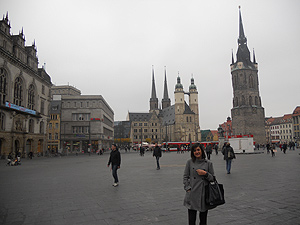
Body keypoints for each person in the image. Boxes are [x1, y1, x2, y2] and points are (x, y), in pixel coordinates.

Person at [183, 143, 215, 225]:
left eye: (198, 150)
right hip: (192, 193)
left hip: (204, 194)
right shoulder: (189, 162)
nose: (196, 152)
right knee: (191, 219)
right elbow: (185, 176)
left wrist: (205, 173)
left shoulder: (208, 163)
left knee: (203, 219)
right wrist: (188, 188)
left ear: (202, 151)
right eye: (194, 150)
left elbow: (213, 179)